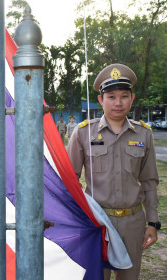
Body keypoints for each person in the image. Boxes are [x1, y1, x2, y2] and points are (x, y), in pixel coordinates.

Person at [67, 63, 160, 280]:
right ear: (101, 100)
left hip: (133, 222)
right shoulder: (83, 134)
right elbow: (70, 181)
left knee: (129, 277)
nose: (118, 102)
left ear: (132, 98)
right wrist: (75, 221)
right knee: (96, 276)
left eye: (124, 96)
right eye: (111, 96)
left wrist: (153, 223)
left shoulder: (143, 135)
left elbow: (149, 182)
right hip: (97, 222)